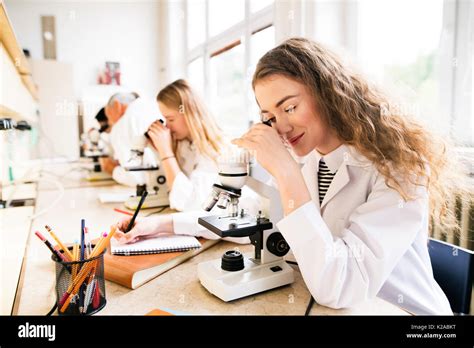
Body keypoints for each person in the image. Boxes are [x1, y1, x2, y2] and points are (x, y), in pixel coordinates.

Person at [231, 38, 465, 315]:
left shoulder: (400, 167)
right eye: (269, 117)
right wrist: (171, 224)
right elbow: (252, 217)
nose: (280, 127)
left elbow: (341, 286)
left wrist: (286, 174)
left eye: (290, 108)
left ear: (327, 91)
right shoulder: (305, 158)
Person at [113, 80, 252, 244]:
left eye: (170, 119)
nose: (168, 127)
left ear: (190, 115)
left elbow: (191, 205)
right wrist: (160, 150)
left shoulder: (215, 150)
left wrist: (166, 153)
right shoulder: (184, 143)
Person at [101, 92, 162, 186]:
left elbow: (135, 179)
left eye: (108, 115)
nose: (109, 122)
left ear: (117, 106)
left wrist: (112, 169)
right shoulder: (155, 105)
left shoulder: (121, 126)